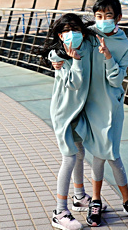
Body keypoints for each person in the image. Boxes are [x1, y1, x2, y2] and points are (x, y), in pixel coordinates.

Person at [81, 0, 128, 226]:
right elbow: (61, 42)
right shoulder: (88, 35)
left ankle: (108, 201)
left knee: (110, 152)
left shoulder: (124, 44)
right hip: (90, 104)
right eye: (98, 16)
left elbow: (117, 80)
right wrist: (55, 58)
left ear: (118, 18)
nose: (103, 20)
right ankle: (114, 200)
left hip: (112, 106)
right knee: (100, 154)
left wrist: (108, 57)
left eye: (108, 16)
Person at [41, 13, 95, 230]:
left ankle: (79, 197)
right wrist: (77, 62)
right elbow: (74, 84)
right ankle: (59, 211)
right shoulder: (58, 55)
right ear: (59, 35)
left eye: (74, 29)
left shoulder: (86, 46)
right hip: (64, 114)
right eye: (64, 31)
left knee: (80, 153)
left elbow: (99, 34)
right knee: (69, 158)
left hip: (79, 111)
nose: (70, 34)